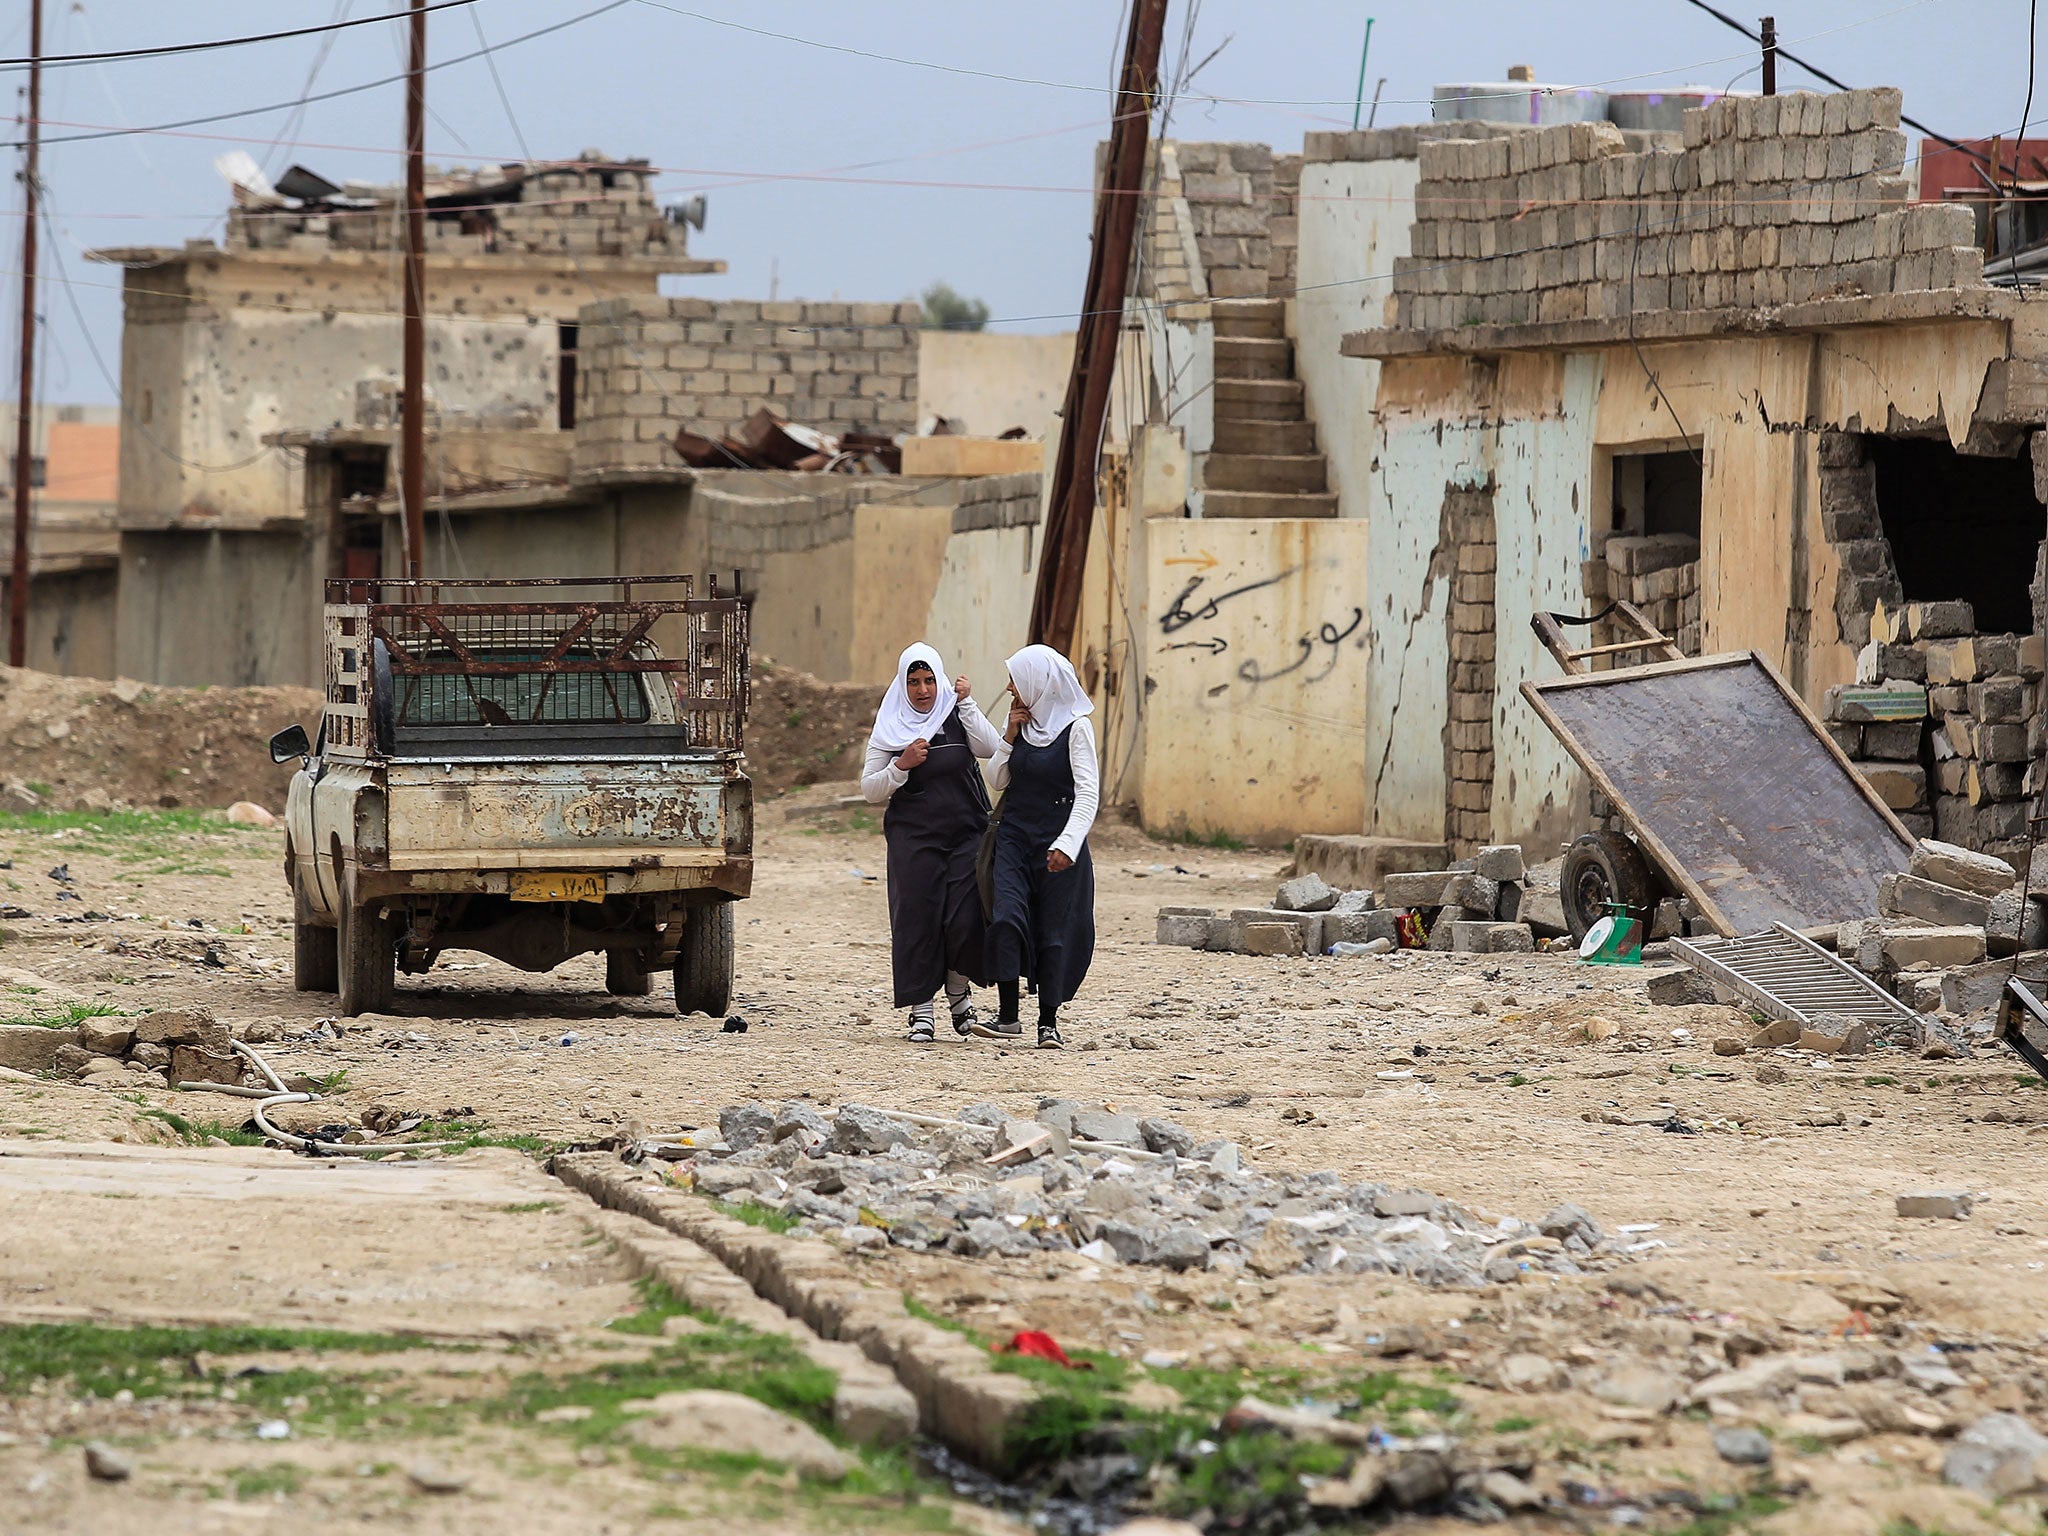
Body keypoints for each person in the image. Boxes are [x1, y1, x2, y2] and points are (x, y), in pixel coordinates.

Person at [861, 642, 1002, 1044]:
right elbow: (870, 789)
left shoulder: (956, 714)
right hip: (914, 837)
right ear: (902, 685)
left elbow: (990, 749)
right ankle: (921, 1009)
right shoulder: (890, 726)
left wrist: (968, 703)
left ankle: (958, 992)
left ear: (938, 679)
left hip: (965, 833)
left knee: (965, 917)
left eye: (928, 681)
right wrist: (900, 766)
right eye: (913, 682)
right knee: (917, 918)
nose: (923, 691)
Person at [977, 644, 1098, 1050]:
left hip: (1057, 840)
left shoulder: (1077, 728)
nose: (1010, 687)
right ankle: (1008, 1016)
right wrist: (1009, 736)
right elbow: (996, 779)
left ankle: (1048, 1022)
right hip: (1014, 835)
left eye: (1016, 679)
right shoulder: (1021, 724)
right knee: (1006, 916)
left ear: (1038, 682)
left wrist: (1068, 844)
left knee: (1053, 930)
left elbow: (1088, 795)